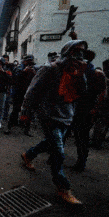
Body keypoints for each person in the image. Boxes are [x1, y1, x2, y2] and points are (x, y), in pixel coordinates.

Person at [20, 40, 89, 205]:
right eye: (76, 51)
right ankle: (63, 188)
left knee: (49, 143)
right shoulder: (50, 69)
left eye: (82, 52)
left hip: (66, 116)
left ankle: (28, 155)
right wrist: (25, 112)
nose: (79, 55)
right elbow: (32, 92)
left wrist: (81, 75)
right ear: (67, 51)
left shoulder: (78, 71)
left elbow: (83, 93)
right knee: (58, 152)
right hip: (48, 115)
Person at [67, 50, 106, 171]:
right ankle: (79, 160)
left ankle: (81, 162)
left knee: (82, 137)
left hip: (87, 108)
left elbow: (102, 93)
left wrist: (95, 109)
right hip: (78, 107)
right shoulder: (82, 72)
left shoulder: (96, 73)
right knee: (78, 136)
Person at [4, 54, 37, 136]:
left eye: (30, 62)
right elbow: (14, 79)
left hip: (28, 92)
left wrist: (34, 73)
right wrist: (24, 72)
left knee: (28, 112)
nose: (29, 64)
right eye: (28, 61)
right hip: (18, 92)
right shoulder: (19, 68)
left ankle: (27, 130)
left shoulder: (33, 68)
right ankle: (9, 127)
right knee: (15, 110)